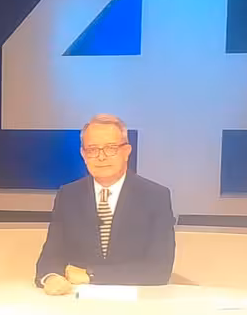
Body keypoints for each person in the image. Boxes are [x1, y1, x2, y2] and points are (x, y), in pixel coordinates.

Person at [36, 114, 176, 295]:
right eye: (92, 149)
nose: (101, 157)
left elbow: (159, 270)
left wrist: (91, 275)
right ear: (83, 154)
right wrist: (51, 277)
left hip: (137, 302)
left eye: (110, 148)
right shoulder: (68, 195)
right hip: (77, 301)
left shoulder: (155, 196)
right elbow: (49, 258)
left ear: (126, 152)